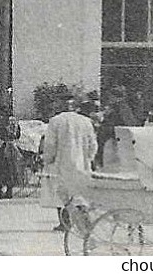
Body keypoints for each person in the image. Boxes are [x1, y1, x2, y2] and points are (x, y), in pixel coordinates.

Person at [41, 95, 99, 232]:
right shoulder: (86, 121)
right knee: (80, 193)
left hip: (61, 163)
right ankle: (84, 221)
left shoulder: (55, 121)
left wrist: (47, 159)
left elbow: (50, 145)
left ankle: (64, 223)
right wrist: (89, 158)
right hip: (81, 163)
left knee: (61, 194)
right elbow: (93, 144)